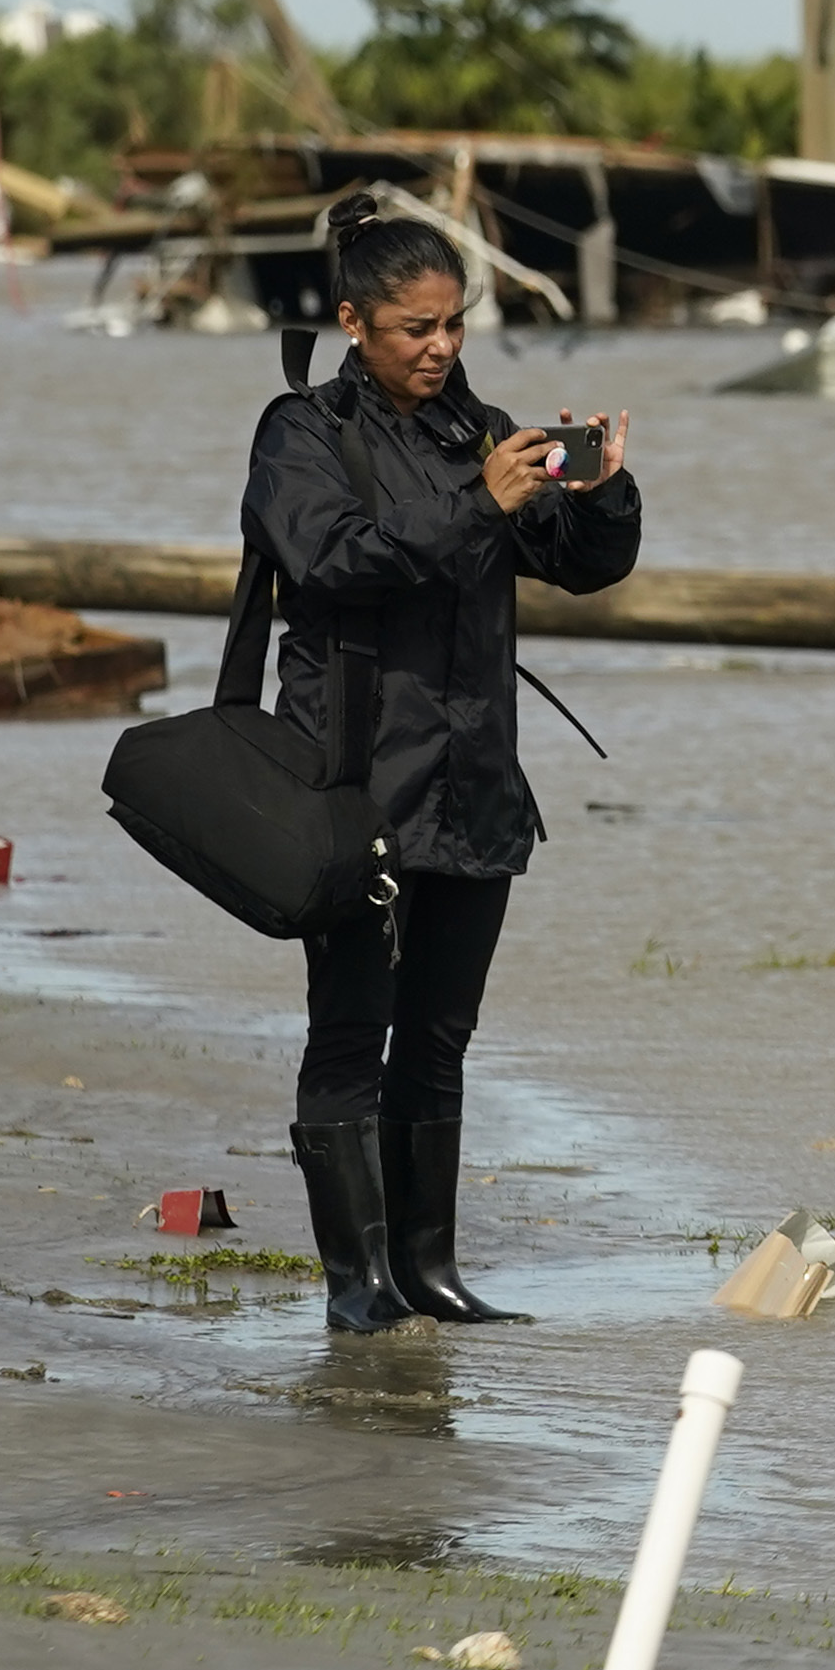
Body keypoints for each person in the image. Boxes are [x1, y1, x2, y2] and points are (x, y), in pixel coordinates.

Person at [247, 192, 645, 1333]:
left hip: (474, 790)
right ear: (355, 323)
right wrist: (481, 501)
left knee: (438, 1039)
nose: (440, 347)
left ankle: (430, 1272)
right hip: (356, 787)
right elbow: (332, 560)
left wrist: (602, 494)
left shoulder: (482, 430)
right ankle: (355, 1285)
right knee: (348, 1033)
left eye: (454, 324)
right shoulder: (300, 435)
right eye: (415, 328)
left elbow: (575, 565)